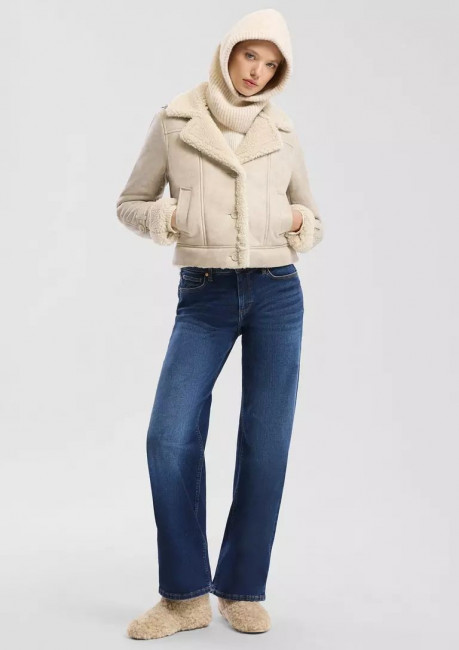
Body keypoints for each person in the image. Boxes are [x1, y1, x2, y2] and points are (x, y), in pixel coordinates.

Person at [116, 8, 324, 639]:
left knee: (266, 443)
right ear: (227, 52)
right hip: (204, 293)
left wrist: (295, 223)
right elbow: (130, 202)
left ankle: (240, 588)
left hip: (277, 292)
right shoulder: (176, 120)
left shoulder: (281, 130)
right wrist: (170, 219)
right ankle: (184, 597)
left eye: (270, 64)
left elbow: (311, 216)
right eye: (249, 56)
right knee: (168, 437)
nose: (257, 71)